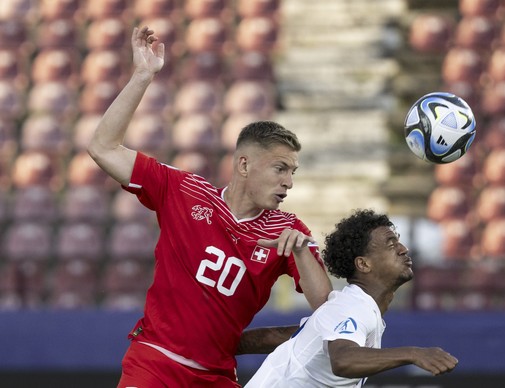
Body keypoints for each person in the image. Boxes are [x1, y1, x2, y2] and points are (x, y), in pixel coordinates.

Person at [87, 26, 332, 388]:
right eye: (280, 169)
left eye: (293, 172)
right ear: (244, 164)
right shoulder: (184, 191)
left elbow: (326, 308)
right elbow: (103, 148)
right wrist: (142, 75)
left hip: (216, 377)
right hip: (154, 363)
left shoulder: (287, 231)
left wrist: (302, 254)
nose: (289, 182)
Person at [245, 209, 459, 387]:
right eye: (391, 244)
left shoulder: (346, 309)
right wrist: (413, 353)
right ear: (363, 264)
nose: (404, 250)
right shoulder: (352, 307)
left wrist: (223, 343)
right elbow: (343, 360)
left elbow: (280, 336)